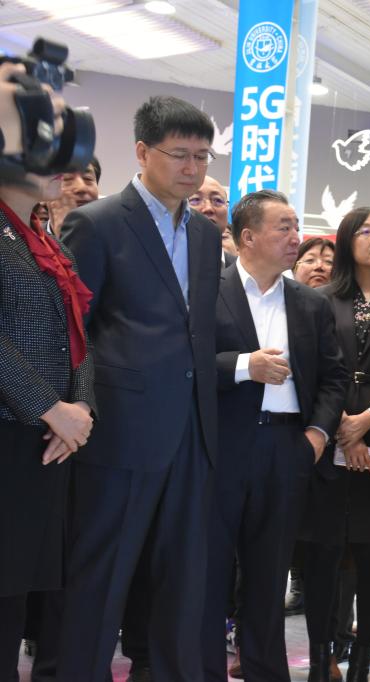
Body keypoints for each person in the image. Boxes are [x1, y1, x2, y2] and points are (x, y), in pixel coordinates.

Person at [58, 95, 222, 682]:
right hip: (121, 429)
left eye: (202, 156)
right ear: (142, 151)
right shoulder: (98, 223)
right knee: (101, 576)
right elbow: (72, 330)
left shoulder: (205, 235)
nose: (192, 168)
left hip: (193, 431)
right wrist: (78, 408)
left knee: (184, 580)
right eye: (180, 155)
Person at [200, 190, 346, 682]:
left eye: (296, 226)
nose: (295, 237)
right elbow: (185, 363)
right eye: (284, 227)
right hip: (220, 447)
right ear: (247, 236)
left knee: (270, 574)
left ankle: (265, 669)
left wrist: (317, 436)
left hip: (288, 448)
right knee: (210, 570)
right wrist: (245, 366)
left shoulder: (310, 303)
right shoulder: (207, 291)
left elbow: (334, 377)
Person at [302, 206, 370, 682]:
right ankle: (321, 656)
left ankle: (363, 661)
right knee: (322, 553)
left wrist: (366, 420)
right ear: (346, 241)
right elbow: (312, 368)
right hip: (328, 431)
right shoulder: (319, 300)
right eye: (366, 231)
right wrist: (340, 426)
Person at [0, 167, 95, 681]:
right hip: (12, 429)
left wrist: (81, 407)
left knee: (16, 593)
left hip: (44, 440)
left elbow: (78, 332)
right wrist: (50, 408)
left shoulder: (45, 238)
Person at [44, 158, 101, 238]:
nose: (81, 187)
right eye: (67, 179)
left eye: (88, 178)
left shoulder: (115, 234)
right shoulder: (28, 240)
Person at [188, 176, 235, 266]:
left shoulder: (241, 270)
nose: (208, 208)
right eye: (196, 199)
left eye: (217, 200)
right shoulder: (168, 261)